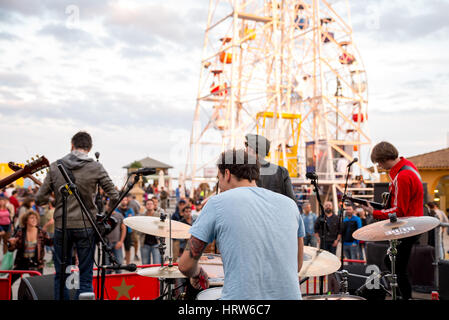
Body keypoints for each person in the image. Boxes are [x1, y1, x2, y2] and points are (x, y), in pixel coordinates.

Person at [178, 149, 305, 300]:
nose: (220, 186)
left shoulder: (217, 203)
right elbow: (297, 265)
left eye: (219, 179)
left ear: (227, 174)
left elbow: (185, 265)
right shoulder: (290, 205)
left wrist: (197, 272)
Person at [35, 131, 120, 300]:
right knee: (86, 276)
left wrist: (57, 196)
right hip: (87, 227)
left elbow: (39, 199)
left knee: (61, 275)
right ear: (90, 148)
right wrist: (104, 215)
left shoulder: (55, 166)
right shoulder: (96, 167)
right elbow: (115, 195)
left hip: (62, 226)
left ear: (71, 145)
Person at [362, 141, 424, 300]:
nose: (380, 167)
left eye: (379, 163)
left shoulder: (402, 176)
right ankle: (404, 295)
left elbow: (399, 210)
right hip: (413, 225)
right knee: (394, 264)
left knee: (396, 266)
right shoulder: (408, 166)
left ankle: (405, 296)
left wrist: (375, 212)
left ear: (383, 160)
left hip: (407, 227)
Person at [244, 133, 296, 201]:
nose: (245, 152)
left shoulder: (244, 172)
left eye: (247, 148)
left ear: (253, 151)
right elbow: (291, 200)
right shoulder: (282, 172)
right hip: (276, 210)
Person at [7, 210, 53, 284]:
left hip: (36, 264)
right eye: (31, 218)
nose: (34, 220)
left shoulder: (41, 232)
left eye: (36, 218)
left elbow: (50, 243)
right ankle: (8, 296)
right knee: (8, 282)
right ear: (26, 221)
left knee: (38, 286)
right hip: (21, 263)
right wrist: (11, 244)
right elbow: (11, 249)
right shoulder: (20, 232)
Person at [139, 200, 161, 265]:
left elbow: (163, 228)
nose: (149, 205)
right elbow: (138, 230)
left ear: (154, 206)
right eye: (148, 204)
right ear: (145, 206)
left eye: (151, 204)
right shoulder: (141, 216)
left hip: (156, 243)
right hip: (145, 243)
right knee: (145, 264)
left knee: (157, 264)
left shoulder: (159, 216)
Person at [115, 198, 135, 265]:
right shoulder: (117, 209)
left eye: (125, 200)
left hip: (128, 231)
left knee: (128, 248)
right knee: (116, 248)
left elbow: (131, 219)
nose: (124, 201)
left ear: (127, 201)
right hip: (118, 231)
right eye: (122, 200)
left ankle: (128, 263)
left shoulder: (130, 210)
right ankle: (116, 263)